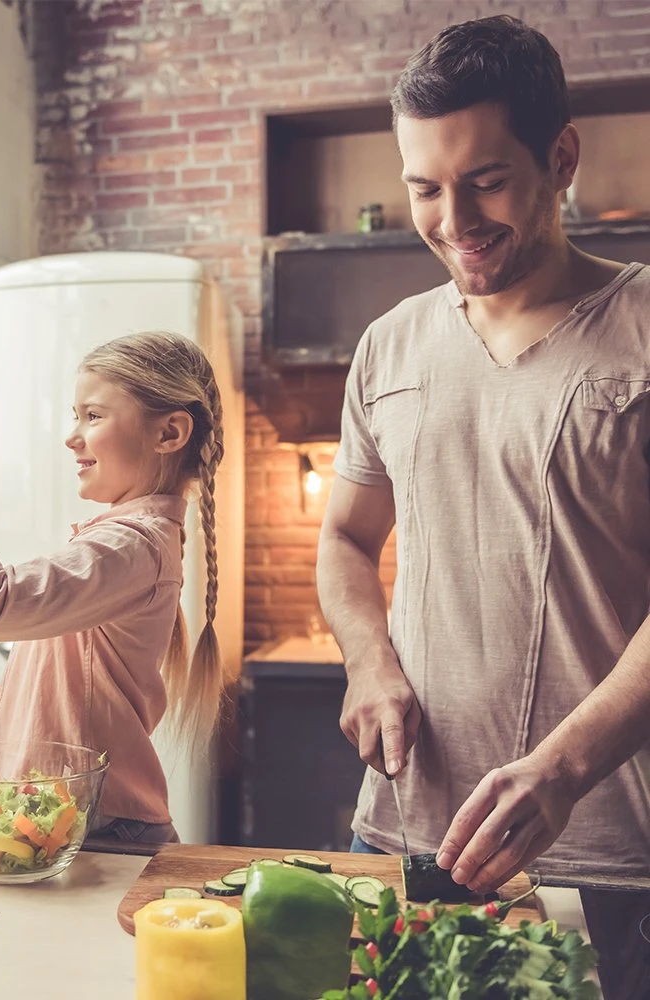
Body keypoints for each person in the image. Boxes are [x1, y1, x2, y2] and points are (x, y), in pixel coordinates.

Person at [317, 14, 650, 889]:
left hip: (615, 846)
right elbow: (346, 539)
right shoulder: (388, 346)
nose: (454, 220)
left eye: (487, 182)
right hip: (406, 826)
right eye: (425, 188)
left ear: (563, 159)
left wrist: (567, 767)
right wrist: (368, 660)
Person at [0, 332, 225, 843]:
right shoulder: (123, 545)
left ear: (170, 433)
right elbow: (78, 700)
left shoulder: (131, 546)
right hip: (73, 827)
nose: (72, 436)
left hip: (103, 834)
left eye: (93, 416)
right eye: (77, 416)